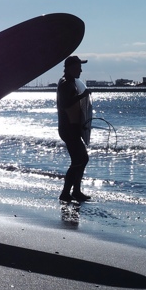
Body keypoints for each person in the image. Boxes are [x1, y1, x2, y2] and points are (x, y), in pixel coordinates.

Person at [57, 55, 92, 203]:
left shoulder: (71, 82)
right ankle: (66, 193)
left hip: (72, 127)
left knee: (82, 159)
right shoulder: (65, 83)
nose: (81, 70)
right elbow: (65, 103)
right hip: (68, 128)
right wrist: (82, 96)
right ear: (70, 68)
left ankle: (76, 191)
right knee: (79, 159)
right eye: (78, 67)